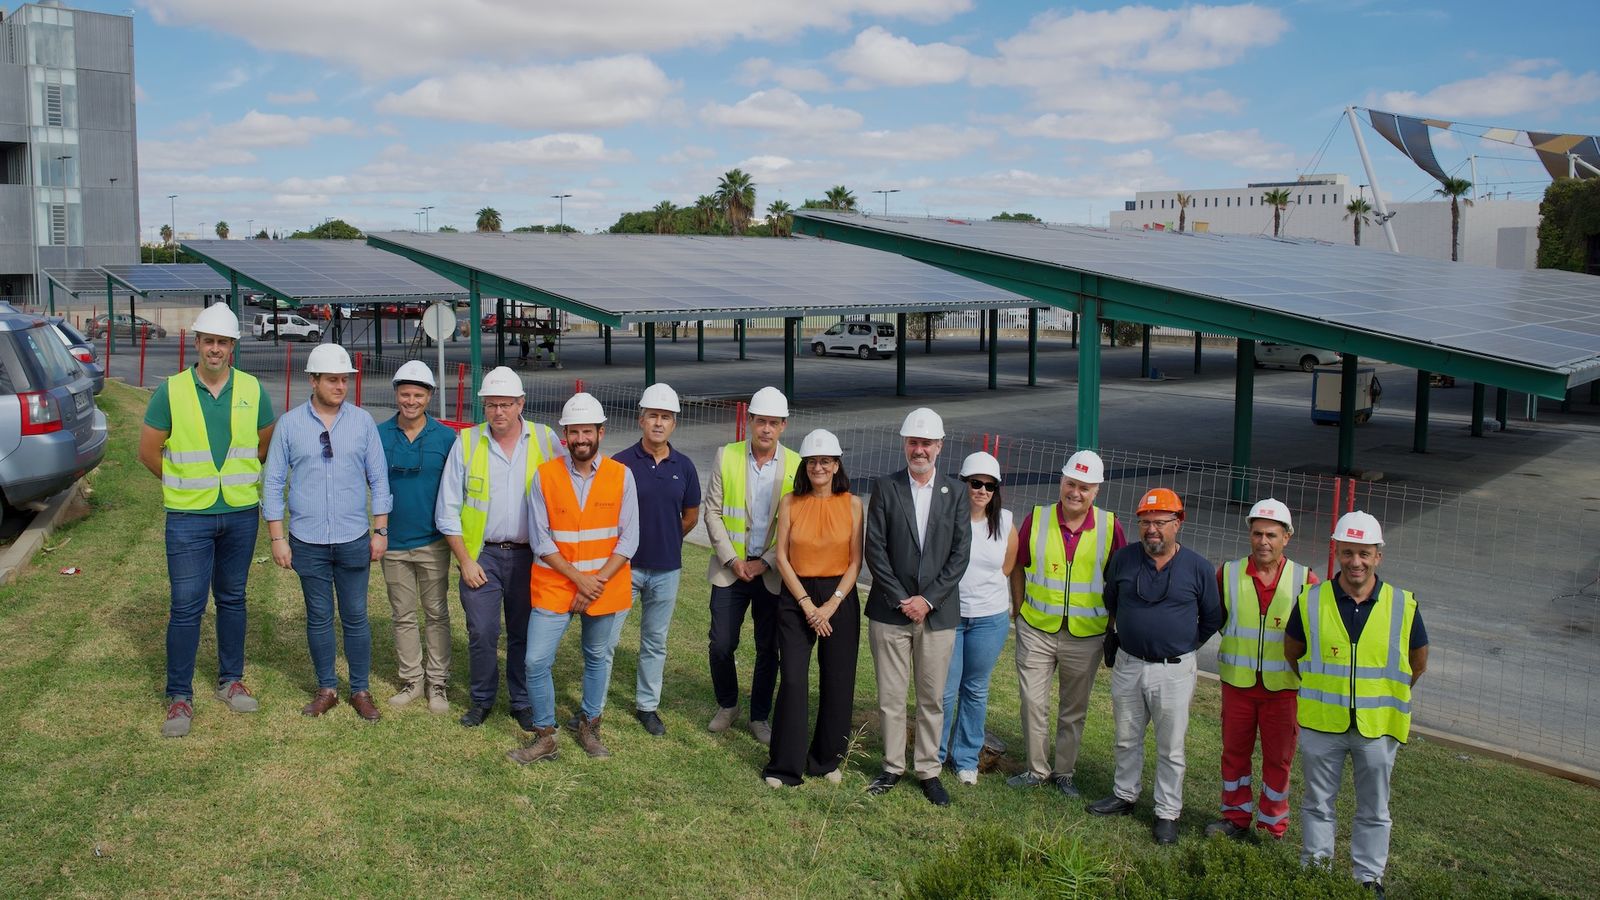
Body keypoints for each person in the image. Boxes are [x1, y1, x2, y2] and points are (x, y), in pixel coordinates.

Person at [138, 304, 275, 738]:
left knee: (233, 598)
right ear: (197, 343)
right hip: (188, 517)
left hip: (238, 513)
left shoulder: (254, 389)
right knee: (186, 606)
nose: (216, 349)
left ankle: (230, 680)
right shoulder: (171, 391)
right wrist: (183, 486)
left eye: (224, 342)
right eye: (209, 341)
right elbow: (148, 452)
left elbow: (264, 445)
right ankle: (179, 696)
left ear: (233, 347)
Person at [1286, 511, 1428, 898]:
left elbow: (1417, 663)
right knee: (1317, 802)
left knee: (1375, 807)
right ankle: (1315, 867)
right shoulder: (1311, 601)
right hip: (1322, 724)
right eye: (1348, 553)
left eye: (1364, 553)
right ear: (1337, 552)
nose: (1356, 562)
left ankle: (1368, 877)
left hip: (1377, 727)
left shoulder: (1403, 604)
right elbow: (1293, 653)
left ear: (1378, 556)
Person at [263, 344, 393, 722]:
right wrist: (277, 536)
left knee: (356, 615)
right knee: (318, 616)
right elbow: (272, 483)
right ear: (313, 380)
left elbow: (379, 479)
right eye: (333, 379)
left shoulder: (362, 422)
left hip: (354, 537)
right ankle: (326, 688)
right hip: (307, 540)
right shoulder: (289, 424)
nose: (341, 386)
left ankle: (361, 689)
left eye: (345, 379)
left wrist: (380, 530)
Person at [508, 393, 638, 763]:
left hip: (603, 586)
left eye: (587, 431)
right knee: (535, 661)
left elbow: (629, 539)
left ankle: (590, 724)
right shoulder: (546, 476)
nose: (581, 438)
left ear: (601, 432)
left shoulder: (621, 476)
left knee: (597, 656)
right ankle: (546, 735)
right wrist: (579, 580)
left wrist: (593, 583)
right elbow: (541, 539)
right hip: (555, 583)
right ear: (564, 434)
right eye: (574, 432)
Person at [435, 366, 566, 730]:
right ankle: (481, 700)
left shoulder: (545, 439)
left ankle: (521, 701)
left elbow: (567, 487)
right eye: (491, 405)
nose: (498, 413)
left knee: (525, 632)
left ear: (521, 403)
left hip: (532, 557)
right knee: (482, 630)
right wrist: (464, 561)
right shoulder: (467, 442)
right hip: (482, 556)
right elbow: (447, 510)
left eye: (505, 404)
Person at [1088, 487, 1222, 844]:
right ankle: (1124, 794)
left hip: (1174, 669)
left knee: (1171, 746)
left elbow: (1211, 617)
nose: (1152, 530)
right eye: (1146, 522)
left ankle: (1167, 812)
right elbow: (1112, 601)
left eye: (1160, 522)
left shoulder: (1198, 567)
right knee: (1126, 737)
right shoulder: (1124, 560)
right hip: (1129, 663)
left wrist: (1182, 646)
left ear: (1178, 523)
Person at [864, 407, 971, 807]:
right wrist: (901, 599)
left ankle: (928, 769)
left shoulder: (956, 493)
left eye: (927, 443)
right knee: (891, 696)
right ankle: (892, 766)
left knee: (932, 698)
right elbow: (874, 549)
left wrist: (927, 600)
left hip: (937, 615)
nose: (920, 449)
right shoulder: (886, 488)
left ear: (940, 447)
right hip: (890, 612)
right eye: (913, 442)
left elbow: (960, 554)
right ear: (904, 445)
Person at [1007, 449, 1127, 796]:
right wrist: (1019, 608)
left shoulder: (1109, 526)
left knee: (1074, 709)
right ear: (1061, 481)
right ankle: (1036, 769)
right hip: (1037, 628)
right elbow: (1018, 564)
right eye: (1071, 483)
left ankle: (1064, 772)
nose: (1075, 492)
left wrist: (1110, 627)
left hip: (1085, 635)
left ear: (1096, 492)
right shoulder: (1038, 517)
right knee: (1033, 702)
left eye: (1084, 488)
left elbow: (1118, 579)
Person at [1206, 499, 1319, 841]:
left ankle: (1272, 826)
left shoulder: (1307, 581)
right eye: (1257, 534)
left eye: (1271, 534)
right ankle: (1235, 817)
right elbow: (1214, 620)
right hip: (1238, 685)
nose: (1263, 542)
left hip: (1283, 689)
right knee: (1235, 755)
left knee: (1278, 760)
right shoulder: (1227, 574)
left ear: (1287, 537)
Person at [763, 429, 864, 787]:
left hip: (839, 595)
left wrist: (831, 605)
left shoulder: (853, 504)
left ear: (837, 465)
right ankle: (783, 767)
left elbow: (855, 562)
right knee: (792, 678)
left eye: (826, 461)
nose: (819, 467)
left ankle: (825, 760)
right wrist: (807, 605)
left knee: (837, 679)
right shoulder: (790, 501)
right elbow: (781, 556)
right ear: (804, 467)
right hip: (796, 595)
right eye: (812, 462)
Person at [703, 386, 799, 744]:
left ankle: (760, 715)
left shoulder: (796, 464)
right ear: (750, 422)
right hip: (731, 570)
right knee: (721, 644)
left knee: (767, 648)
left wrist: (766, 563)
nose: (766, 430)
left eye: (774, 423)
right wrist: (732, 559)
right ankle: (728, 705)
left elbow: (797, 525)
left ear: (783, 426)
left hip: (772, 574)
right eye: (761, 422)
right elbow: (711, 511)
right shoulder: (726, 456)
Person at [613, 383, 701, 735]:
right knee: (608, 636)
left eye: (666, 417)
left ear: (674, 423)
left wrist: (667, 537)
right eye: (653, 416)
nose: (659, 423)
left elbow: (691, 515)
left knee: (655, 640)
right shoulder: (620, 464)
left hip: (667, 570)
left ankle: (647, 706)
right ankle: (595, 704)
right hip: (625, 567)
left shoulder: (685, 466)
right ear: (641, 419)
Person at [377, 360, 458, 714]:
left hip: (433, 542)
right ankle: (412, 679)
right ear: (397, 394)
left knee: (437, 612)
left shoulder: (445, 438)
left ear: (429, 397)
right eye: (405, 394)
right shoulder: (378, 434)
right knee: (403, 614)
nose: (411, 401)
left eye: (418, 395)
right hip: (393, 542)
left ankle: (437, 683)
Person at [938, 451, 1019, 786]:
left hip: (989, 619)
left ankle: (966, 758)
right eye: (976, 483)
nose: (982, 491)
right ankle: (935, 754)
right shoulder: (946, 520)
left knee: (975, 689)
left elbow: (1007, 567)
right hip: (950, 616)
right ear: (963, 484)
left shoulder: (1005, 523)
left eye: (989, 485)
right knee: (944, 690)